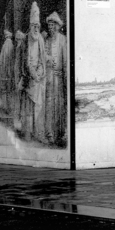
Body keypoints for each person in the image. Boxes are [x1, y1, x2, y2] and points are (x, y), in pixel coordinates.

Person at [16, 2, 47, 142]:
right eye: (34, 26)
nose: (36, 28)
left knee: (38, 107)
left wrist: (40, 72)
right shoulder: (27, 39)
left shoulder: (40, 39)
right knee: (27, 108)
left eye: (38, 26)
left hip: (37, 78)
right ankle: (27, 133)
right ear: (30, 26)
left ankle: (37, 133)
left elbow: (42, 58)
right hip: (29, 77)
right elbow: (26, 61)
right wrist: (33, 74)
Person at [43, 11, 68, 146]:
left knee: (59, 105)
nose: (51, 28)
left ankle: (60, 133)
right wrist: (48, 60)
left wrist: (63, 74)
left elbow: (65, 61)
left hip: (58, 79)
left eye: (53, 26)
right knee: (49, 105)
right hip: (48, 77)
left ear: (58, 26)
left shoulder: (63, 40)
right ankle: (49, 133)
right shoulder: (46, 41)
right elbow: (44, 56)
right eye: (49, 26)